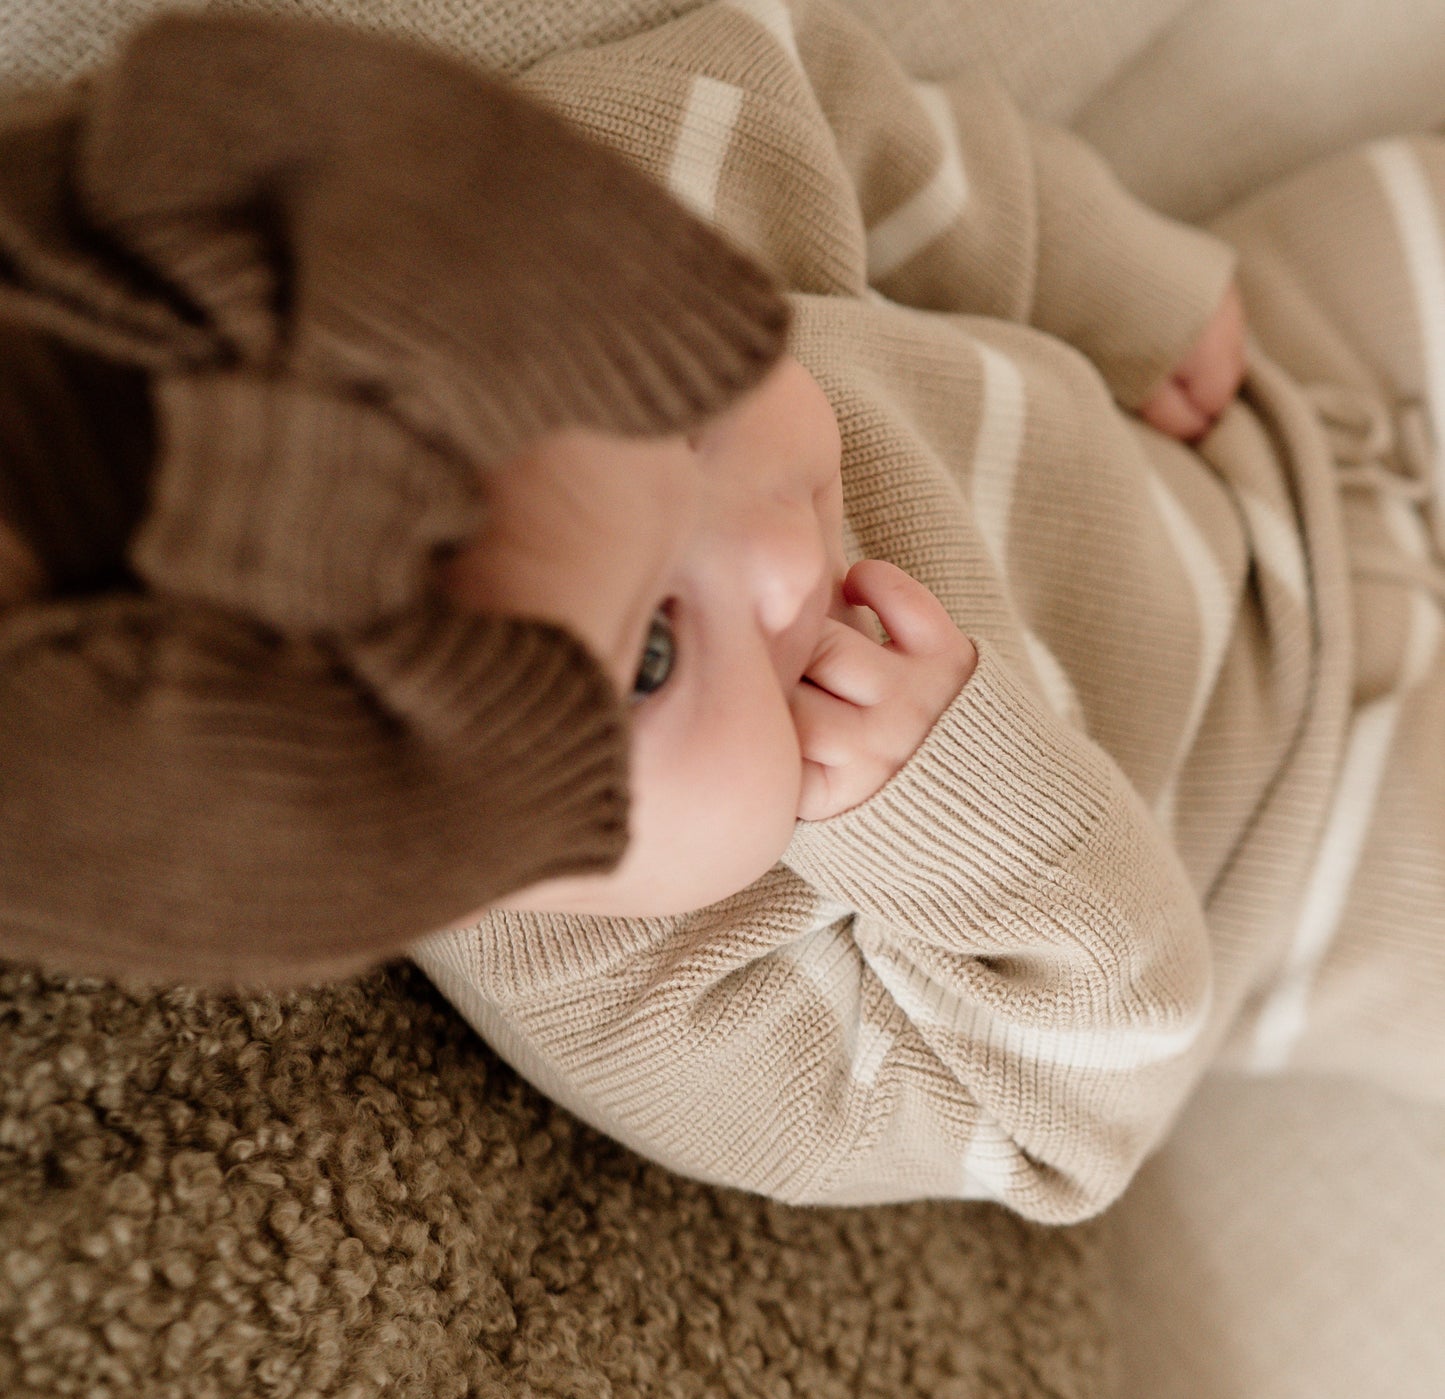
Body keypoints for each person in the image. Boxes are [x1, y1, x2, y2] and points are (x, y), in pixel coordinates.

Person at [414, 0, 1445, 1222]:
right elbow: (1064, 1130)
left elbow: (806, 103)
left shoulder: (560, 241)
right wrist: (965, 824)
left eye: (675, 399)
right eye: (649, 655)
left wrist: (1113, 279)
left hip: (1274, 409)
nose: (776, 555)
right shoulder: (658, 1026)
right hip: (1311, 838)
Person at [0, 11, 790, 987]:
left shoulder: (683, 177)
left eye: (696, 425)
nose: (788, 560)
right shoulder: (619, 975)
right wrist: (923, 796)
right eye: (654, 657)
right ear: (478, 890)